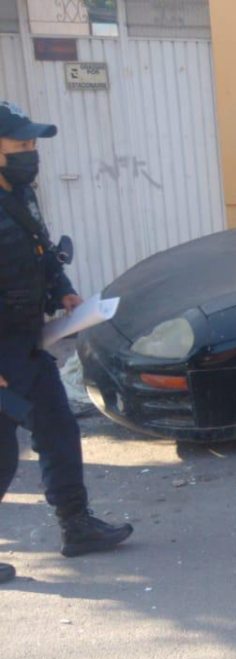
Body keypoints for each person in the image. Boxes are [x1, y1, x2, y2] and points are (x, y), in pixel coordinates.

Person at [0, 100, 132, 585]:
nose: (30, 151)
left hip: (27, 342)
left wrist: (63, 291)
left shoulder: (20, 194)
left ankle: (77, 526)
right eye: (20, 143)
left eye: (32, 143)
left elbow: (41, 252)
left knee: (57, 428)